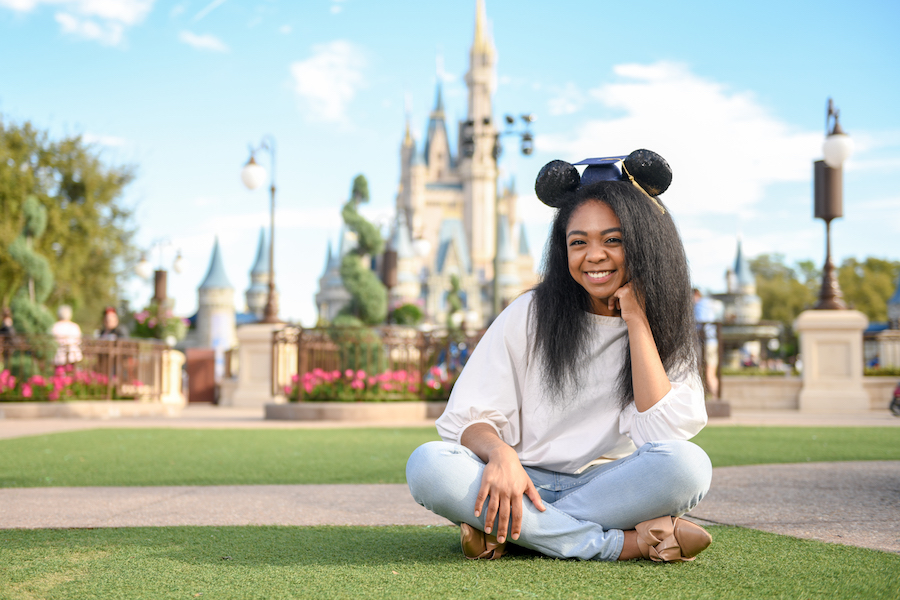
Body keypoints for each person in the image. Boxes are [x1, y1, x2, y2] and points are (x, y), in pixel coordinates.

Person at [407, 150, 713, 563]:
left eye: (613, 240)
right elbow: (470, 416)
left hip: (606, 484)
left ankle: (513, 532)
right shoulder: (530, 312)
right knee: (428, 464)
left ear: (644, 243)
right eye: (578, 242)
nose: (594, 255)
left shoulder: (665, 325)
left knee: (689, 466)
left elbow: (663, 435)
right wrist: (501, 456)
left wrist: (638, 320)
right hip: (518, 478)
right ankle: (622, 544)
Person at [693, 288, 720, 398]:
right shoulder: (708, 305)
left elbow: (699, 325)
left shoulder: (699, 306)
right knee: (711, 373)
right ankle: (715, 397)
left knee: (708, 373)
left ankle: (714, 397)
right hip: (712, 341)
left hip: (707, 342)